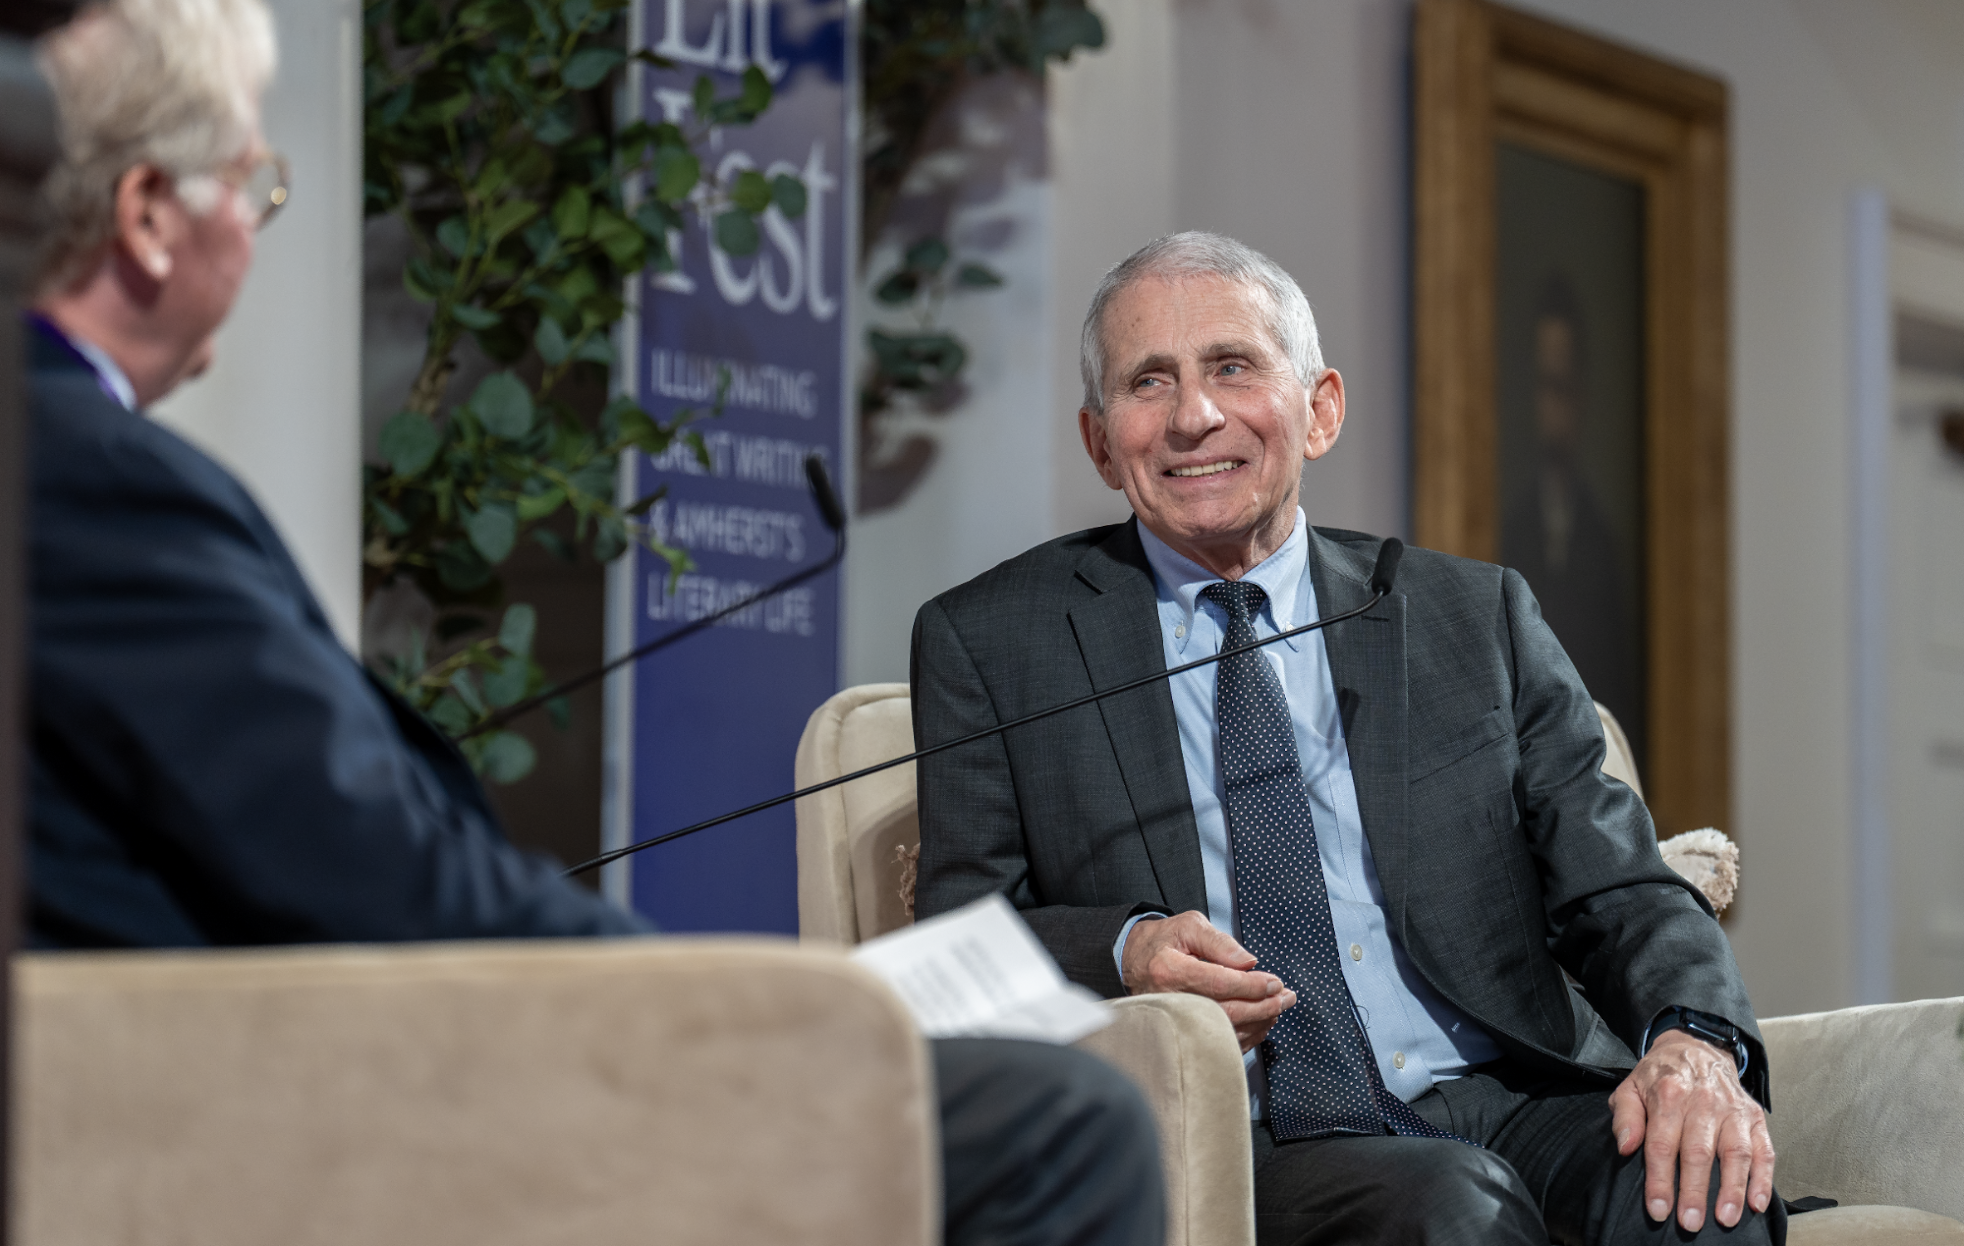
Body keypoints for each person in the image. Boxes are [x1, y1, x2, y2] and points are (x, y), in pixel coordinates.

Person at [23, 4, 1164, 1243]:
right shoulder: (84, 474)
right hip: (313, 1088)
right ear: (147, 217)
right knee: (1061, 1121)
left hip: (267, 1045)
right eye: (256, 183)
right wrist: (699, 995)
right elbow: (371, 868)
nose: (257, 221)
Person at [912, 232, 1781, 1246]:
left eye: (1231, 367)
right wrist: (1125, 946)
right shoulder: (995, 641)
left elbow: (1618, 886)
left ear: (1318, 408)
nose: (1194, 416)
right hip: (1255, 1138)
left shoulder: (1470, 615)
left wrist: (1693, 1039)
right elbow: (958, 937)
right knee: (1451, 1210)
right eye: (1148, 382)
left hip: (1513, 1094)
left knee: (1694, 1194)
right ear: (1100, 440)